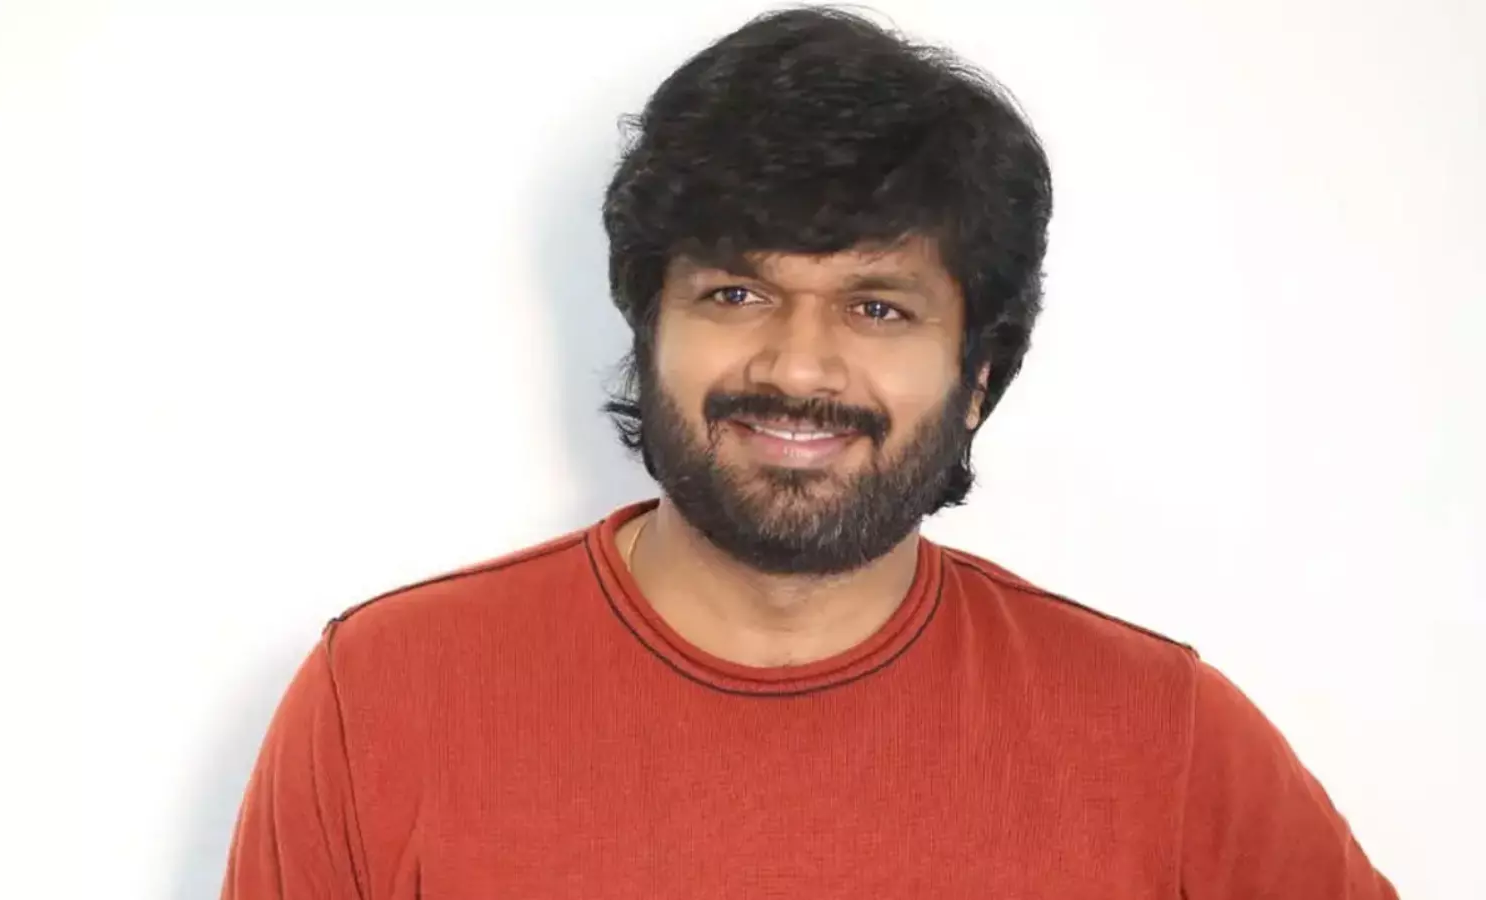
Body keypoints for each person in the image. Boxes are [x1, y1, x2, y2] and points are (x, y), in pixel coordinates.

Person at [221, 8, 1397, 898]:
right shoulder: (380, 701)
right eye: (736, 292)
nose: (798, 366)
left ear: (978, 378)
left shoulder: (1161, 737)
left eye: (879, 307)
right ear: (648, 330)